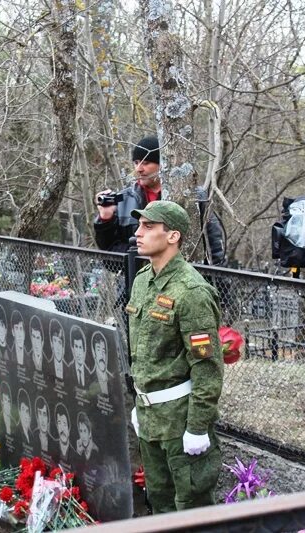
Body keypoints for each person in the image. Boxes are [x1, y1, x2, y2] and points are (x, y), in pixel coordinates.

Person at [127, 200, 224, 513]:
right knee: (160, 504)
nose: (138, 233)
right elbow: (142, 355)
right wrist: (139, 404)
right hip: (150, 416)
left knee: (192, 506)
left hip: (180, 420)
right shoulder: (142, 281)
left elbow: (207, 368)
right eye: (140, 225)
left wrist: (197, 427)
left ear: (173, 236)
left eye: (148, 226)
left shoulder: (192, 291)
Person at [94, 136, 226, 265]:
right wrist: (105, 219)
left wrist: (213, 281)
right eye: (136, 162)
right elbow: (109, 257)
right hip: (135, 282)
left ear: (162, 165)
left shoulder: (192, 196)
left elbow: (214, 246)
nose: (139, 168)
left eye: (146, 163)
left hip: (184, 281)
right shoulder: (124, 199)